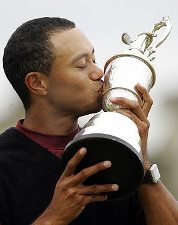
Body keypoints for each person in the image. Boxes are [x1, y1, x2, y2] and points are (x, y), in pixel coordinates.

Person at [0, 17, 178, 225]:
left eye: (94, 59)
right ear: (37, 83)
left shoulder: (114, 153)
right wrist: (55, 216)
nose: (99, 72)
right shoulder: (6, 164)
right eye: (82, 65)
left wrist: (143, 165)